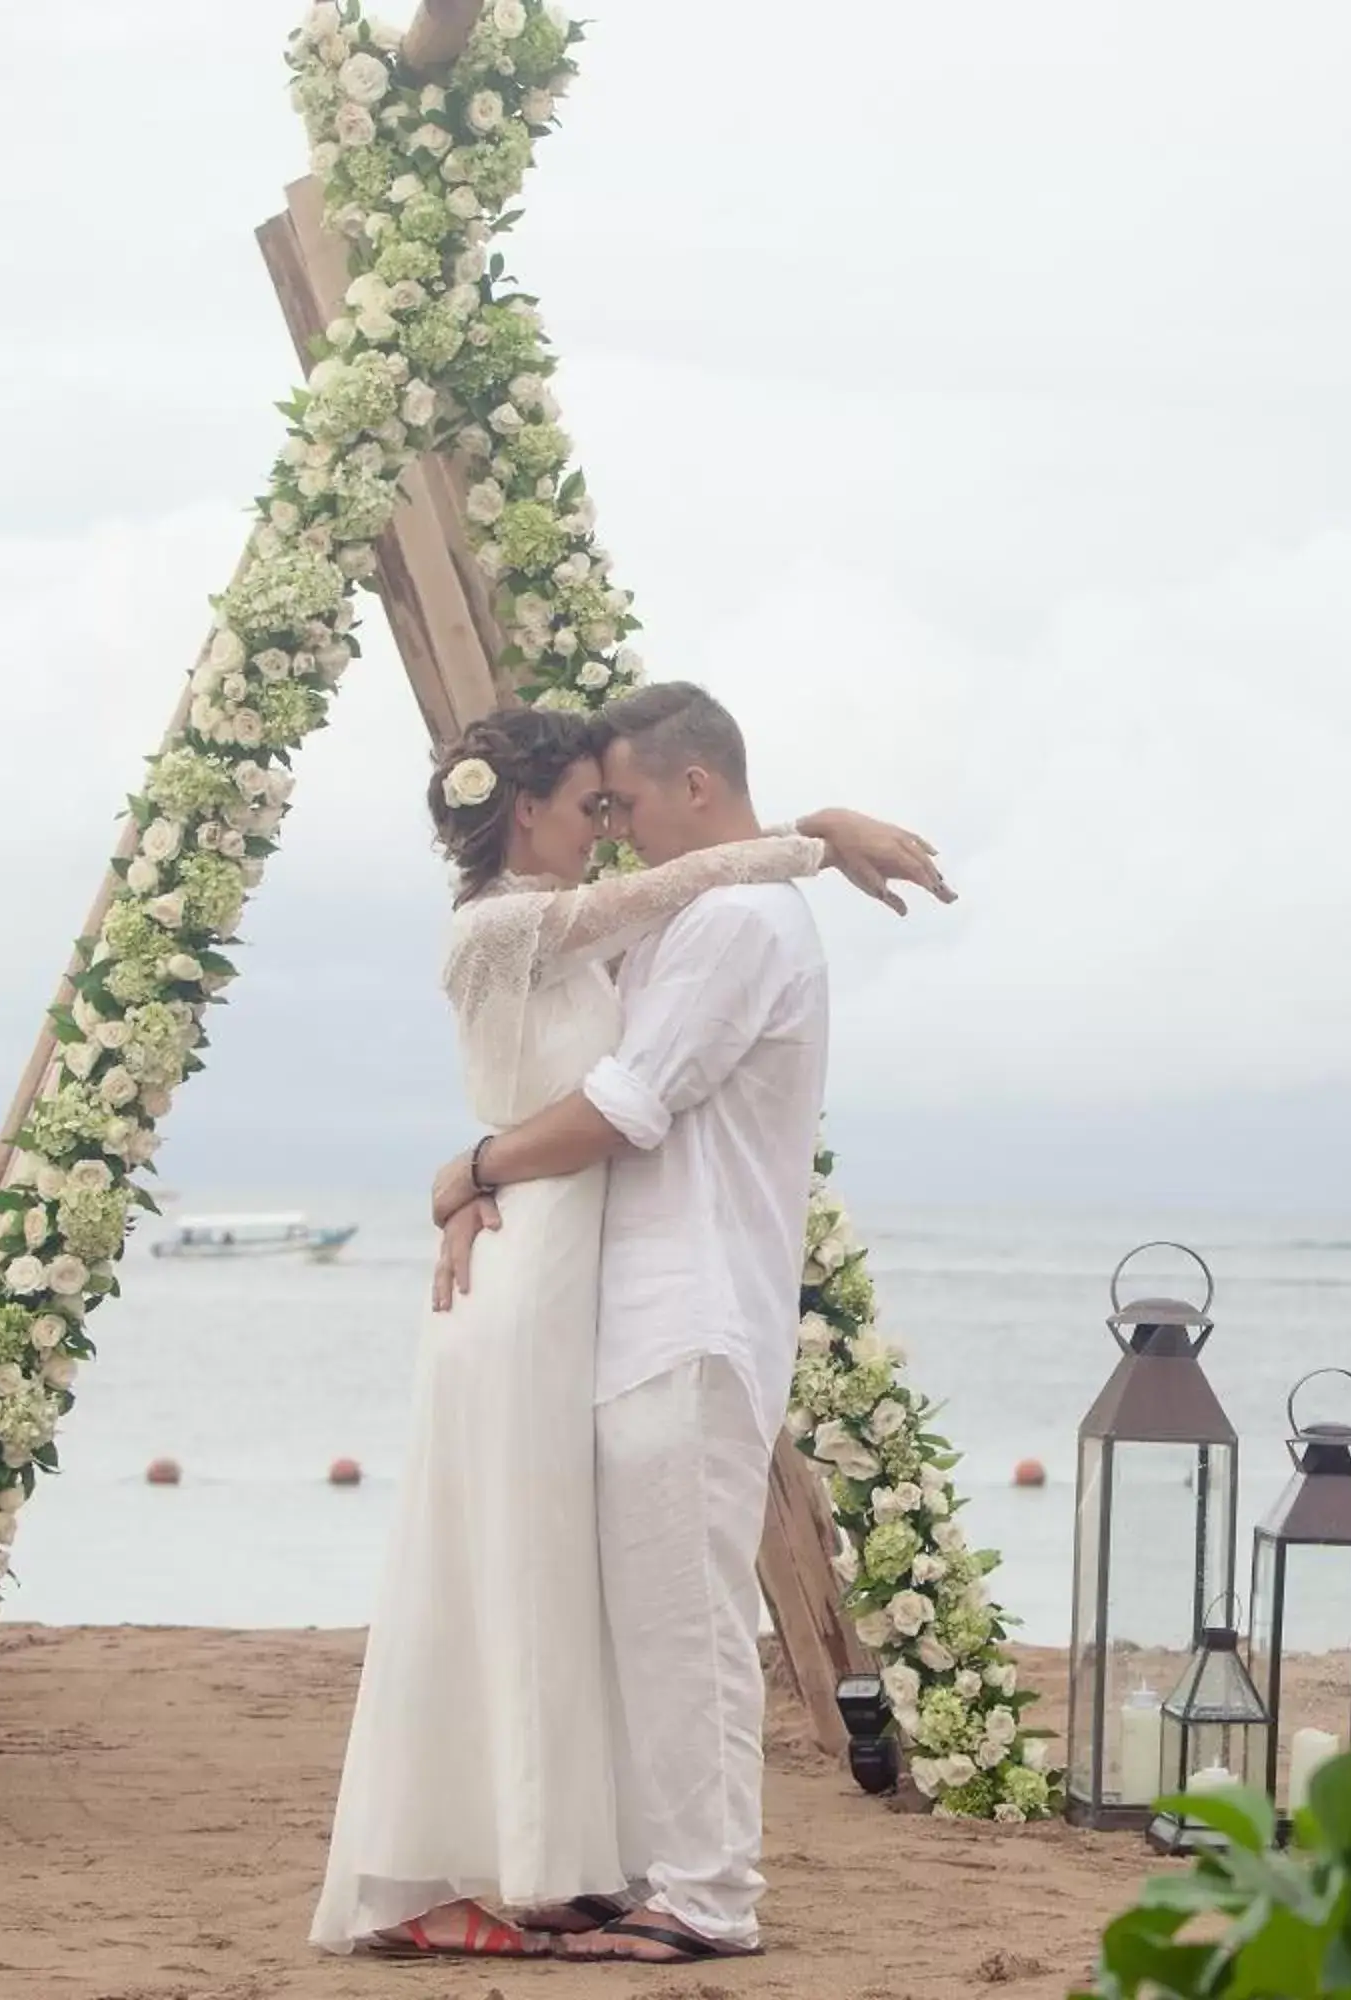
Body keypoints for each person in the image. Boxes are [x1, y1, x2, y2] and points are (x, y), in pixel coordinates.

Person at [310, 700, 943, 1959]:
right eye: (592, 809)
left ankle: (709, 1895)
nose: (614, 835)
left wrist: (475, 1160)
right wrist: (486, 1174)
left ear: (693, 784)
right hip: (602, 1303)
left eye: (628, 807)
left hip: (686, 1312)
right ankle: (639, 1868)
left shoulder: (738, 921)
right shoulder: (678, 912)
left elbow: (626, 1101)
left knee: (685, 1619)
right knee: (614, 1615)